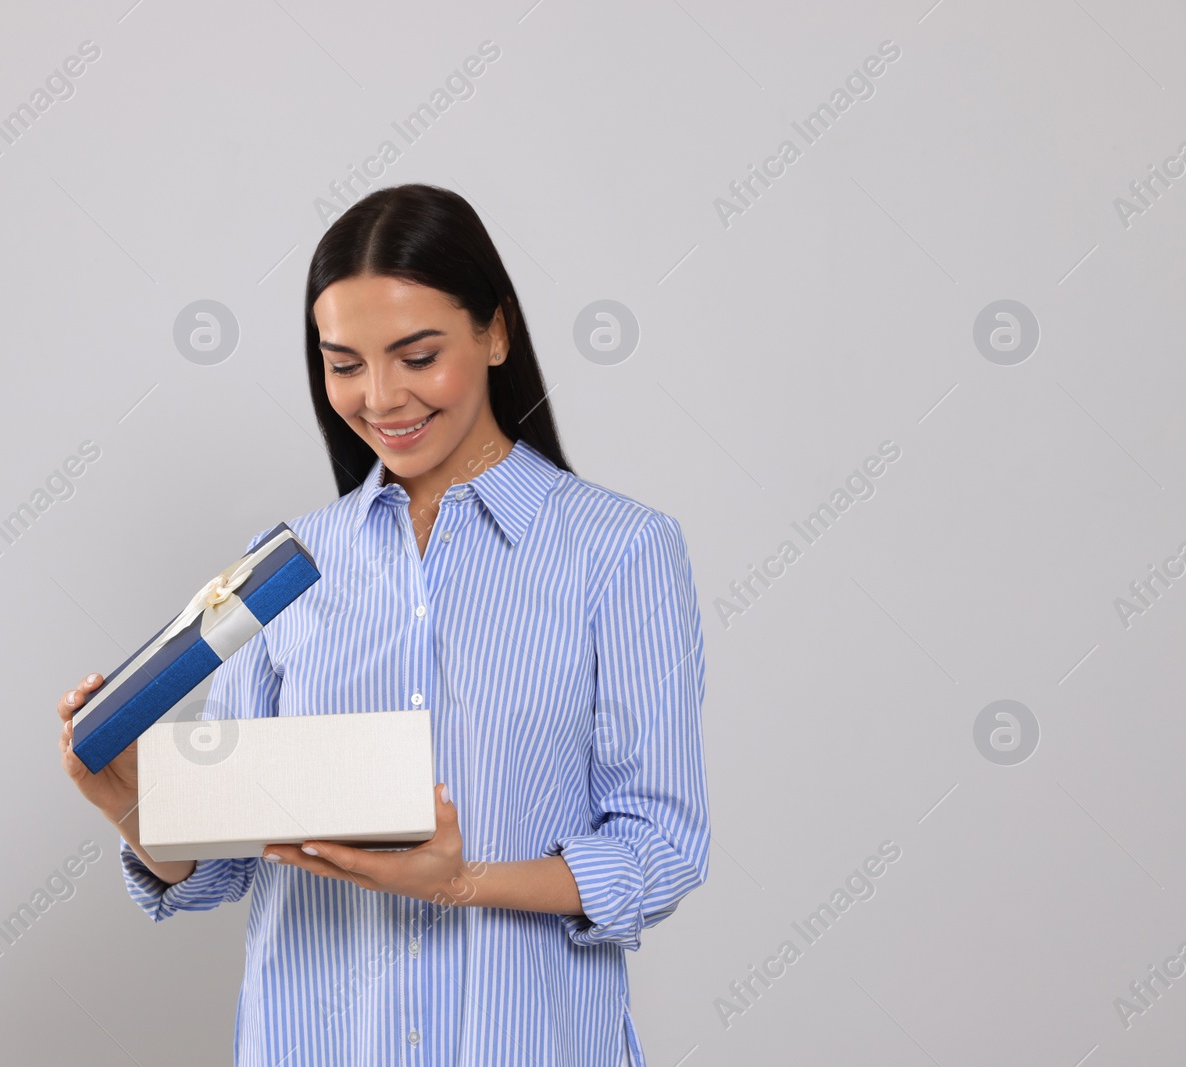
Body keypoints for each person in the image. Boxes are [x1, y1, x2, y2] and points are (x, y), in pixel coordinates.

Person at [56, 182, 709, 1066]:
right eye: (345, 363)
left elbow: (659, 847)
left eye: (417, 354)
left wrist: (464, 882)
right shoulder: (281, 571)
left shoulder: (620, 551)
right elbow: (225, 866)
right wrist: (137, 808)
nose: (380, 397)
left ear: (495, 332)